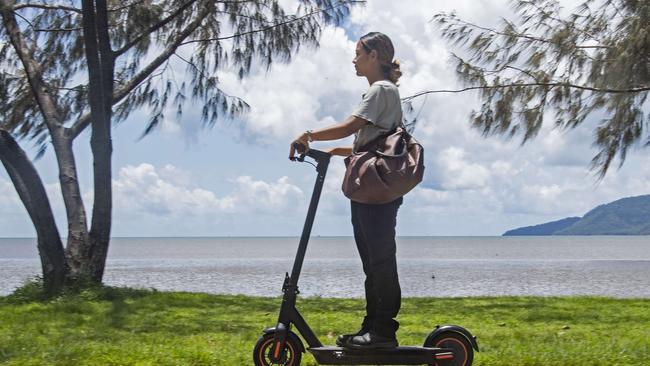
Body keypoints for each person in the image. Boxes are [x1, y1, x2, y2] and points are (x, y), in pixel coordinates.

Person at [288, 32, 404, 349]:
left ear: (376, 54)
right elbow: (369, 140)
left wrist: (308, 135)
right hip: (372, 188)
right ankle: (372, 327)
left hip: (374, 190)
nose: (353, 59)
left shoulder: (380, 90)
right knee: (373, 262)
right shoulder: (384, 92)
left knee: (379, 260)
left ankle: (383, 331)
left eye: (358, 53)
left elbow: (350, 126)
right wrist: (339, 151)